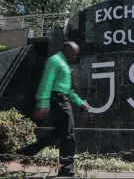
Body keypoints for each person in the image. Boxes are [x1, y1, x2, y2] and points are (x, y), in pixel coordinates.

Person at [18, 41, 88, 177]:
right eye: (73, 54)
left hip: (63, 98)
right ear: (66, 50)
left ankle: (28, 151)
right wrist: (42, 104)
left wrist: (79, 103)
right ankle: (66, 168)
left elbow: (68, 90)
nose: (74, 57)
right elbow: (46, 82)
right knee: (68, 133)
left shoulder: (65, 65)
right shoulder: (54, 61)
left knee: (59, 132)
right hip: (57, 99)